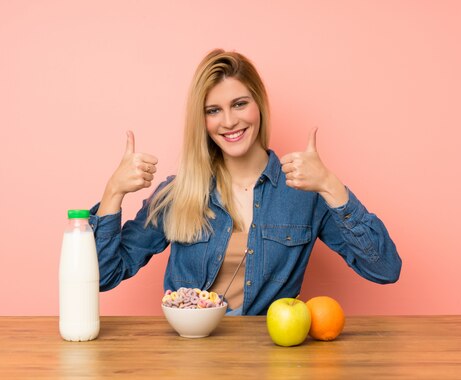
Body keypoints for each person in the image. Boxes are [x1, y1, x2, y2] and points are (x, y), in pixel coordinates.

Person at [89, 49, 401, 316]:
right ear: (203, 120)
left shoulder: (306, 193)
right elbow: (103, 276)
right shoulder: (177, 193)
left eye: (239, 104)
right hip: (189, 359)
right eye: (214, 110)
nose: (228, 121)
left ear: (259, 105)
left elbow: (385, 269)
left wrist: (331, 187)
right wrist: (113, 192)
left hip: (269, 359)